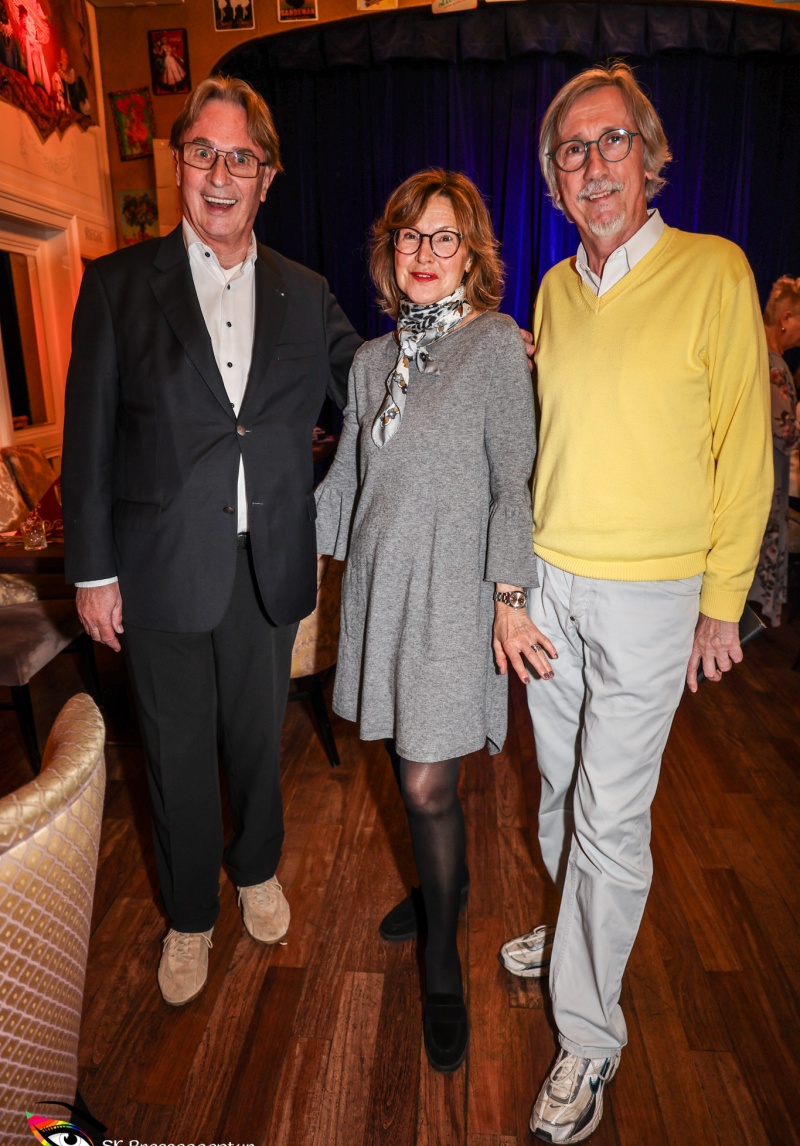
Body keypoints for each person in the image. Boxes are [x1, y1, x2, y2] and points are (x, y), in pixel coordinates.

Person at [496, 62, 772, 1145]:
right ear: (555, 180)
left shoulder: (714, 270)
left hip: (654, 595)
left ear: (648, 158)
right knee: (558, 793)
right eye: (572, 150)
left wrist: (722, 602)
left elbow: (743, 449)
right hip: (550, 584)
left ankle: (587, 1034)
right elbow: (546, 443)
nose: (593, 164)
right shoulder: (553, 291)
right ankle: (576, 934)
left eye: (611, 141)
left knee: (609, 817)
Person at [61, 76, 361, 1007]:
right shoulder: (117, 286)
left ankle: (256, 869)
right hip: (157, 574)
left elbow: (372, 384)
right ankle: (190, 915)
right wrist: (92, 572)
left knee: (257, 743)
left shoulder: (308, 293)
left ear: (268, 176)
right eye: (204, 153)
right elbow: (88, 441)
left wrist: (463, 348)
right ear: (179, 163)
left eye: (241, 158)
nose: (220, 174)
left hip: (267, 566)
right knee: (175, 753)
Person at [315, 169, 547, 1072]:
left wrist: (509, 601)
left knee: (425, 788)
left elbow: (512, 485)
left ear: (471, 254)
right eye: (411, 236)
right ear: (390, 250)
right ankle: (438, 886)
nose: (424, 253)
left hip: (453, 596)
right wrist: (274, 550)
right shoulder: (370, 361)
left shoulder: (494, 346)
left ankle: (442, 965)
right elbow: (348, 482)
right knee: (401, 762)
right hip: (379, 593)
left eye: (444, 237)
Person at [748, 276, 800, 624]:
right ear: (786, 318)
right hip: (766, 482)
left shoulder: (755, 358)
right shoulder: (774, 367)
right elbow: (786, 433)